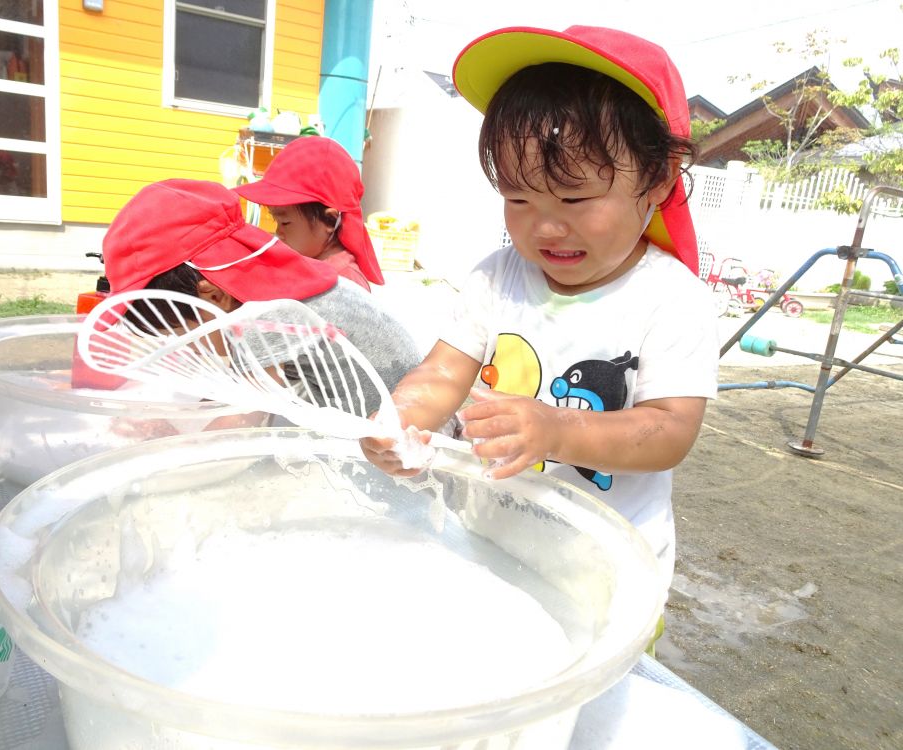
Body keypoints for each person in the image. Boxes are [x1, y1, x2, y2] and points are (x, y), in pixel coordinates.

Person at [360, 24, 719, 603]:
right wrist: (401, 419)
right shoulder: (497, 275)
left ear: (656, 182)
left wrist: (559, 429)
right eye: (519, 199)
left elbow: (670, 431)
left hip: (601, 569)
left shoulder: (671, 299)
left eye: (575, 199)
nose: (546, 226)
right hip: (490, 541)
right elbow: (443, 373)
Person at [101, 178, 420, 428]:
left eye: (181, 336)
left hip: (391, 447)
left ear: (214, 295)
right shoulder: (277, 282)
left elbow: (240, 424)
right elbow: (243, 388)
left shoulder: (266, 316)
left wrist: (166, 447)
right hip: (386, 417)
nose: (187, 351)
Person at [233, 136, 384, 292]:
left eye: (285, 222)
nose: (278, 233)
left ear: (330, 220)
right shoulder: (309, 261)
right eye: (275, 221)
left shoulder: (344, 284)